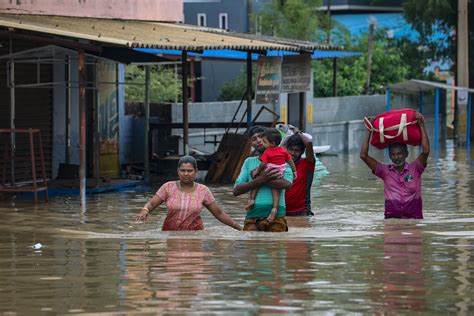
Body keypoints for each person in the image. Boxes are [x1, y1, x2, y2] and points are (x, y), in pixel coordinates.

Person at [135, 155, 242, 231]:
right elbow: (152, 204)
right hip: (170, 234)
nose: (186, 174)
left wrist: (239, 228)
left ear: (196, 171)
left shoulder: (203, 191)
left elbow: (218, 213)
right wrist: (145, 210)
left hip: (195, 236)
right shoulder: (168, 187)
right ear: (178, 171)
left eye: (189, 171)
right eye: (183, 170)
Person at [360, 112, 430, 219]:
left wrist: (421, 125)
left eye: (399, 154)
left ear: (406, 154)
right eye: (393, 155)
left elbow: (426, 151)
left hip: (413, 220)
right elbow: (363, 156)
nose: (397, 158)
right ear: (390, 156)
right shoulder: (384, 171)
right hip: (391, 221)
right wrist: (369, 130)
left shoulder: (416, 168)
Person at [233, 126, 294, 232]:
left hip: (276, 217)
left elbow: (287, 184)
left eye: (261, 137)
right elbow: (236, 190)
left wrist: (262, 179)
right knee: (252, 245)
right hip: (252, 216)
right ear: (251, 144)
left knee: (275, 247)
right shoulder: (249, 162)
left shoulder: (282, 159)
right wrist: (261, 179)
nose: (258, 141)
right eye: (254, 139)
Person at [246, 128, 297, 222]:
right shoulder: (283, 151)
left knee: (256, 181)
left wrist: (258, 172)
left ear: (272, 143)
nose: (261, 142)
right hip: (279, 172)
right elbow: (290, 161)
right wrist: (295, 171)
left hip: (269, 170)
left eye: (264, 141)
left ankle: (252, 200)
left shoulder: (268, 152)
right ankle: (274, 209)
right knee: (275, 191)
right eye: (254, 139)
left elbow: (263, 164)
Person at [284, 131, 316, 216]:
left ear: (302, 152)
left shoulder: (307, 164)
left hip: (302, 211)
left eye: (296, 150)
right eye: (290, 149)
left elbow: (309, 143)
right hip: (281, 211)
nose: (292, 153)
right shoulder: (281, 164)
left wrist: (297, 133)